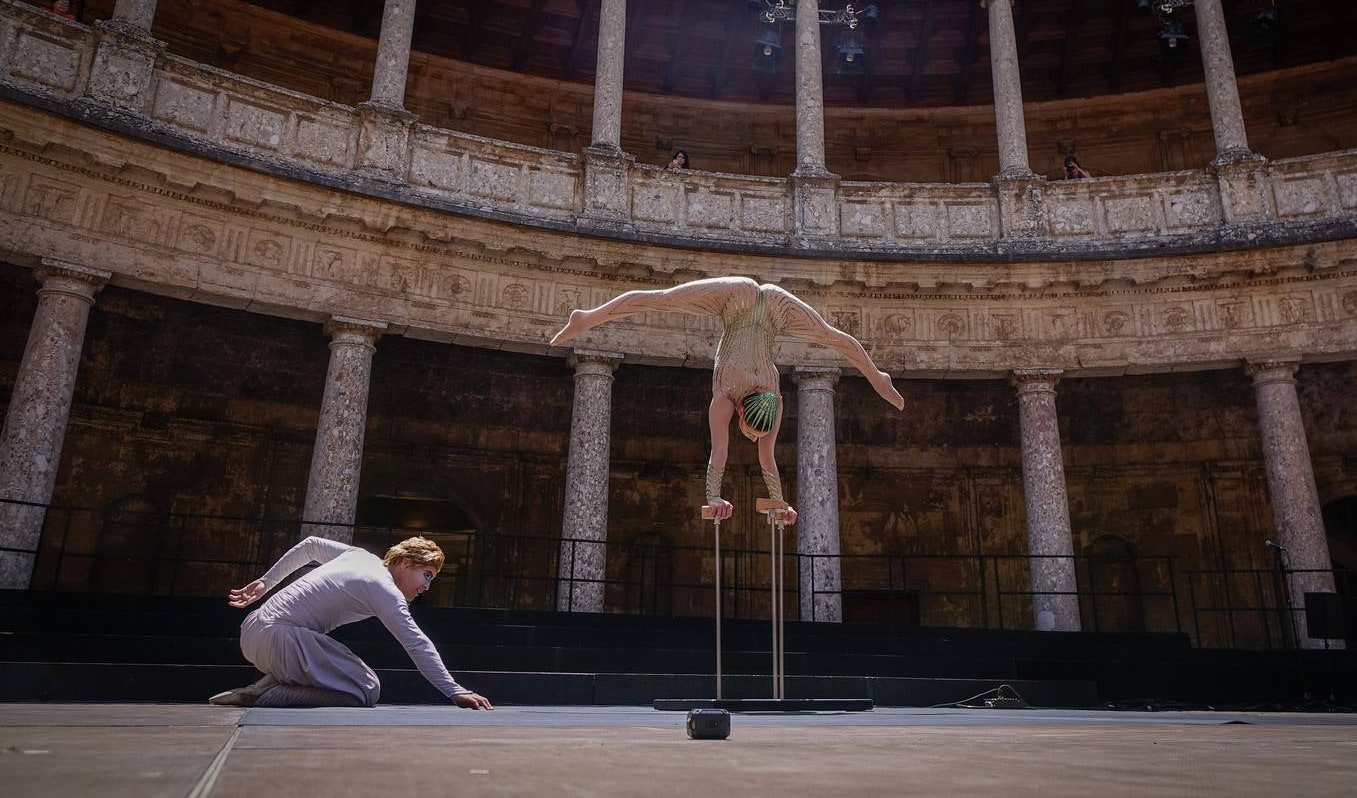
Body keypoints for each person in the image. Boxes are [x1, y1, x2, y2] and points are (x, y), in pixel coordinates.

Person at [551, 277, 904, 520]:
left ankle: (588, 318)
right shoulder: (726, 395)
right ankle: (586, 318)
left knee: (663, 299)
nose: (750, 438)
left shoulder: (772, 399)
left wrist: (759, 500)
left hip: (765, 303)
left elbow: (757, 458)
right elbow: (728, 454)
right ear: (739, 410)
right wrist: (718, 495)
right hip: (752, 305)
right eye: (750, 433)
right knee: (830, 336)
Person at [209, 535, 493, 709]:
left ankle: (266, 686)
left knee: (348, 673)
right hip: (280, 639)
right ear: (406, 563)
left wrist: (266, 582)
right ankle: (266, 694)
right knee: (366, 688)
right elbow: (416, 642)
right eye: (427, 575)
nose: (427, 587)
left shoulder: (360, 556)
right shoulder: (385, 589)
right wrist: (455, 690)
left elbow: (310, 546)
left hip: (253, 630)